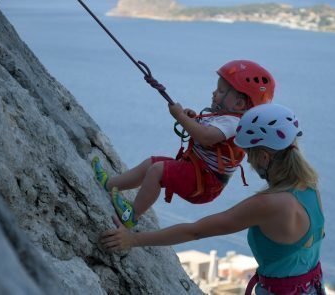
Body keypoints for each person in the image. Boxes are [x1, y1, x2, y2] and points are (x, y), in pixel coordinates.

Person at [100, 104, 326, 295]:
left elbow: (195, 231)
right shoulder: (310, 188)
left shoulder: (270, 204)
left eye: (250, 155)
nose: (248, 162)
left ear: (265, 157)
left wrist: (131, 240)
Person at [92, 60, 275, 228]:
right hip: (198, 172)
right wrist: (193, 120)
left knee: (158, 171)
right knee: (152, 163)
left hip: (205, 181)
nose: (214, 93)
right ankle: (110, 185)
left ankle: (131, 216)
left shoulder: (234, 123)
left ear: (239, 103)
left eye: (220, 91)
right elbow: (206, 132)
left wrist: (180, 117)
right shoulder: (225, 118)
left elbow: (206, 137)